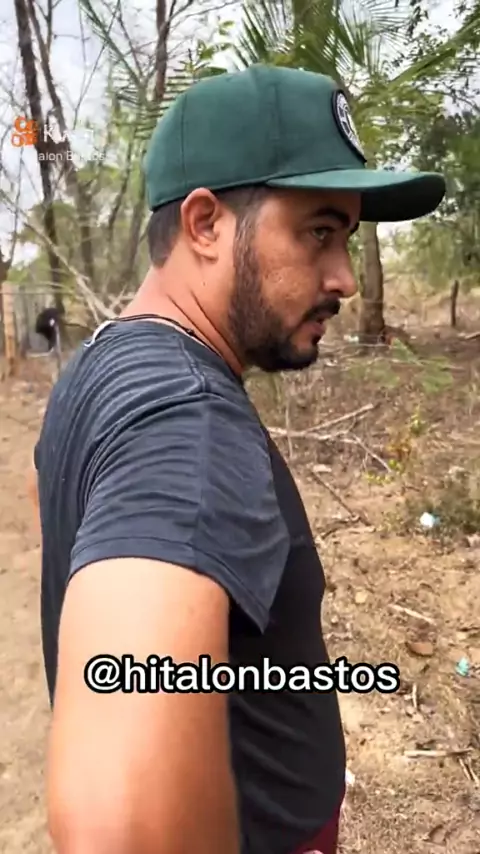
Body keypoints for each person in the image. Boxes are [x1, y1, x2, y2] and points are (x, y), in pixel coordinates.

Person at [33, 65, 445, 854]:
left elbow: (42, 491)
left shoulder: (102, 361)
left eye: (346, 239)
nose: (344, 278)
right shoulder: (189, 421)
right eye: (318, 232)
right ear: (205, 224)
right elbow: (121, 827)